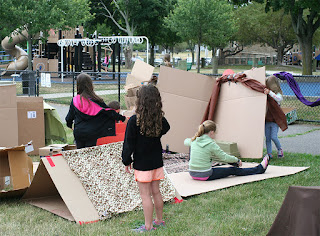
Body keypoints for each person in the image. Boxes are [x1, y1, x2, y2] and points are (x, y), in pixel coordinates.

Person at [122, 85, 170, 232]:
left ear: (140, 100)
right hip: (156, 161)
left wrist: (126, 160)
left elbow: (128, 143)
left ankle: (148, 227)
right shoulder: (159, 119)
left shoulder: (134, 121)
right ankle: (159, 220)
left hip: (142, 163)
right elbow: (167, 127)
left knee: (145, 196)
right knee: (156, 192)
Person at [184, 120, 269, 181]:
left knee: (219, 166)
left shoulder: (194, 141)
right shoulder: (211, 144)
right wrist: (237, 160)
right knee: (232, 170)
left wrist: (192, 139)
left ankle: (239, 165)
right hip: (205, 175)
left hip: (192, 173)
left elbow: (185, 141)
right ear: (212, 132)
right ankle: (259, 169)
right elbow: (224, 157)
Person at [66, 73, 128, 149]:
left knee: (80, 154)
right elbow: (109, 112)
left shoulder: (75, 100)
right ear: (90, 85)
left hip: (79, 132)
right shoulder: (97, 100)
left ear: (78, 85)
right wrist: (123, 118)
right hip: (92, 133)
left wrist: (69, 125)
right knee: (90, 154)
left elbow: (69, 117)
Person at [264, 75, 284, 158]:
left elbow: (278, 99)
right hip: (266, 120)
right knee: (267, 138)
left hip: (274, 120)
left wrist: (270, 93)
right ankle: (269, 153)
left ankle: (280, 149)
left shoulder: (278, 95)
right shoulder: (266, 94)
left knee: (273, 137)